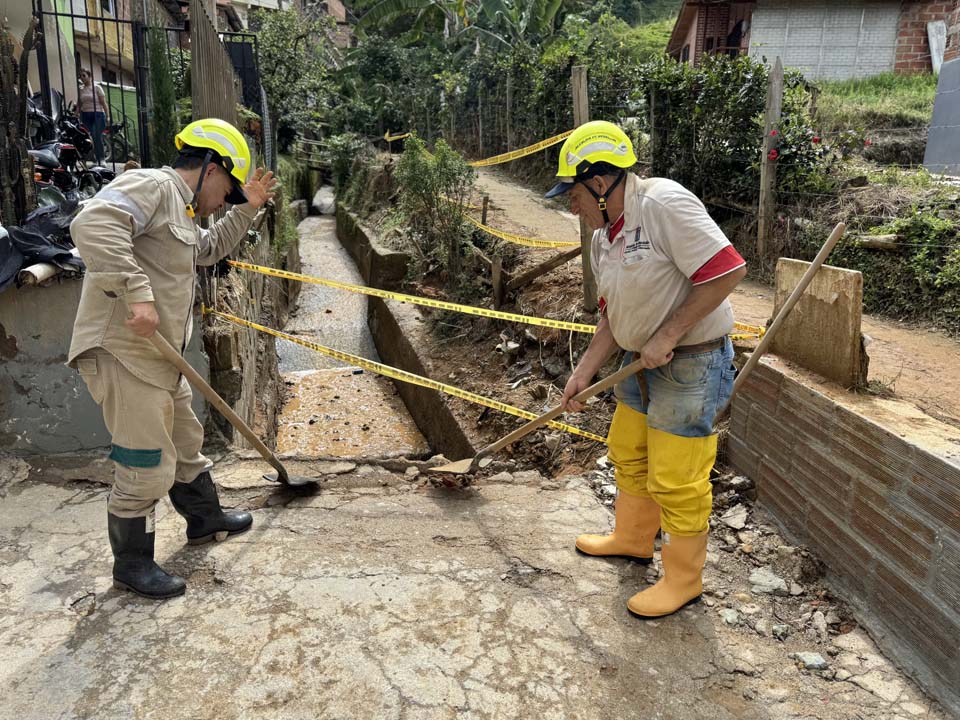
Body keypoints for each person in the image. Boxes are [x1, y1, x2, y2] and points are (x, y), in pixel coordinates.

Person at [67, 118, 278, 600]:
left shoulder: (180, 212)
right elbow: (93, 223)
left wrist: (246, 210)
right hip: (124, 354)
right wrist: (137, 293)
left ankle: (205, 520)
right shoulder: (153, 185)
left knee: (187, 442)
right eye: (227, 191)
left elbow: (205, 252)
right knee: (145, 464)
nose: (224, 202)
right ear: (209, 167)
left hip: (161, 359)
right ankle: (132, 564)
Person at [552, 121, 746, 619]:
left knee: (676, 477)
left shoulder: (662, 204)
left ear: (600, 182)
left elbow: (727, 270)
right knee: (628, 450)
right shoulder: (602, 237)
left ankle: (683, 580)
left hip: (691, 361)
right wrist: (584, 374)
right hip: (637, 363)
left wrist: (668, 334)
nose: (568, 205)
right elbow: (612, 318)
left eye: (572, 193)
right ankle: (633, 539)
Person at [78, 68, 108, 165]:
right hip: (85, 114)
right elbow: (79, 103)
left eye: (84, 75)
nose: (82, 78)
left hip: (98, 114)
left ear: (89, 76)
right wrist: (76, 113)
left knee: (97, 136)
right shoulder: (81, 89)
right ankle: (93, 159)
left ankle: (101, 158)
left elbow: (103, 103)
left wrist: (107, 115)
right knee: (88, 137)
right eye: (80, 76)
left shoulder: (97, 88)